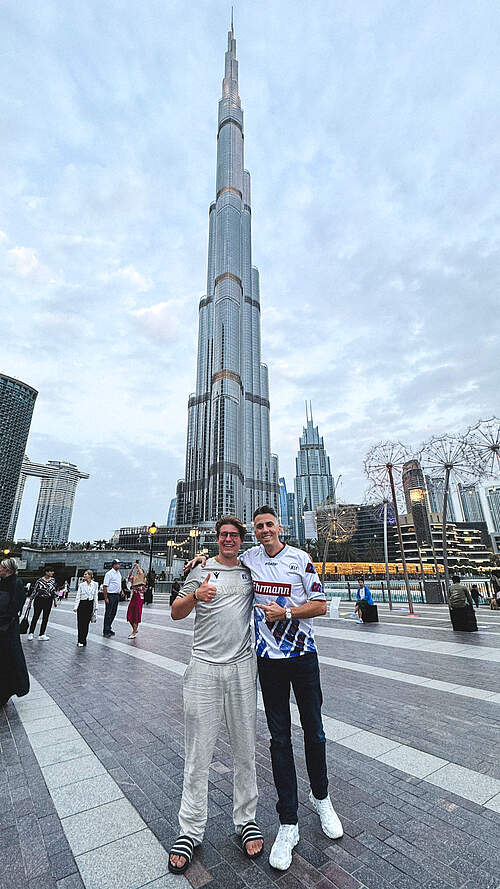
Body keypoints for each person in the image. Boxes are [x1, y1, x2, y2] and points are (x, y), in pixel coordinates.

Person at [185, 506, 343, 872]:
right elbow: (223, 559)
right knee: (279, 739)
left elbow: (320, 605)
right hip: (267, 662)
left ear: (280, 527)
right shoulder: (250, 560)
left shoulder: (301, 559)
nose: (265, 530)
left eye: (269, 525)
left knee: (315, 733)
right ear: (253, 533)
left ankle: (321, 798)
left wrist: (286, 614)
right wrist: (199, 561)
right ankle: (289, 822)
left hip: (303, 657)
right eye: (259, 526)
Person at [168, 516, 263, 875]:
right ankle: (190, 830)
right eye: (223, 535)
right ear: (217, 539)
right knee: (198, 752)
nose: (227, 540)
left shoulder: (249, 572)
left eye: (233, 536)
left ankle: (246, 820)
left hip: (242, 668)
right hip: (203, 668)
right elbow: (176, 613)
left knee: (245, 750)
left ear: (241, 541)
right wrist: (196, 594)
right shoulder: (200, 571)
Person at [0, 557, 29, 706]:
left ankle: (5, 692)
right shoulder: (2, 582)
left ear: (8, 570)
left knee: (8, 661)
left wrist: (4, 622)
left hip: (7, 629)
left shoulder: (16, 584)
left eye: (1, 567)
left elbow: (15, 607)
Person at [28, 568, 58, 640]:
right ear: (46, 572)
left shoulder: (53, 580)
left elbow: (53, 591)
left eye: (52, 571)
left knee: (45, 618)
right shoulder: (39, 581)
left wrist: (55, 601)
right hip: (39, 600)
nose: (52, 572)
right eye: (51, 571)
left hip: (48, 600)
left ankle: (41, 634)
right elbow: (35, 591)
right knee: (36, 616)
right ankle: (31, 633)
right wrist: (30, 602)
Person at [73, 570, 99, 646]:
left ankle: (84, 640)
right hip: (82, 604)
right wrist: (76, 607)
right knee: (80, 623)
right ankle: (80, 640)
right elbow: (78, 596)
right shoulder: (81, 585)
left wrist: (96, 607)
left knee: (86, 623)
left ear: (90, 575)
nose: (84, 576)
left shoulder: (95, 584)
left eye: (86, 574)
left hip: (89, 604)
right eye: (84, 574)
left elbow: (95, 596)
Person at [102, 560, 122, 637]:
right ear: (113, 565)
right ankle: (106, 630)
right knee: (108, 613)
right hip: (110, 595)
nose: (119, 565)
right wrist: (106, 597)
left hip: (116, 595)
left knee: (113, 612)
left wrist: (121, 590)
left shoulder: (118, 573)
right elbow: (105, 586)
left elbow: (118, 583)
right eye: (117, 564)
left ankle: (109, 627)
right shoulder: (109, 574)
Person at [127, 563, 147, 639]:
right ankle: (135, 629)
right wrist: (132, 568)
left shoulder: (143, 579)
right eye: (137, 572)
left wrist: (138, 567)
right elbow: (129, 577)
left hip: (139, 598)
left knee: (136, 614)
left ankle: (134, 631)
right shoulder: (135, 579)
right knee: (130, 614)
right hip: (134, 597)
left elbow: (142, 574)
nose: (138, 573)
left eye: (139, 572)